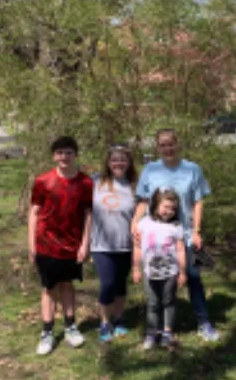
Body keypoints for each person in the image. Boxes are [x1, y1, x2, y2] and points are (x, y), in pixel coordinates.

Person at [132, 129, 219, 342]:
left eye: (171, 144)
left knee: (193, 277)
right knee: (156, 279)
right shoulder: (150, 170)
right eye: (163, 145)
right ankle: (159, 328)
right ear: (157, 147)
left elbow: (198, 201)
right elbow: (143, 200)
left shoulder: (192, 169)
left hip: (184, 235)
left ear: (177, 144)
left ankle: (203, 322)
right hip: (157, 237)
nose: (168, 148)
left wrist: (197, 230)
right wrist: (135, 222)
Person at [28, 136, 93, 356]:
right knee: (49, 288)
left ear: (75, 154)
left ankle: (70, 326)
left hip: (72, 244)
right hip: (46, 244)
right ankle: (47, 332)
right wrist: (31, 245)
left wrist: (85, 243)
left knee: (67, 285)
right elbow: (34, 212)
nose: (64, 157)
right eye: (60, 153)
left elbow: (88, 214)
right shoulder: (43, 181)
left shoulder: (85, 182)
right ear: (54, 156)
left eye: (68, 152)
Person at [91, 144, 138, 342]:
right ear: (108, 163)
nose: (118, 163)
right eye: (114, 160)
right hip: (101, 245)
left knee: (120, 284)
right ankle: (104, 321)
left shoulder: (135, 185)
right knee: (107, 283)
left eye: (122, 159)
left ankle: (119, 318)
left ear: (129, 162)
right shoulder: (96, 181)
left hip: (126, 244)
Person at [133, 189, 188, 350]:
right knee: (152, 303)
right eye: (166, 207)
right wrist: (136, 268)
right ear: (155, 205)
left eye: (173, 208)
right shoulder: (144, 223)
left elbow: (180, 250)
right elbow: (137, 247)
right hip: (149, 272)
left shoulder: (176, 227)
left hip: (170, 273)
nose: (169, 211)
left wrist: (183, 272)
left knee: (168, 302)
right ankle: (152, 332)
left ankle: (167, 332)